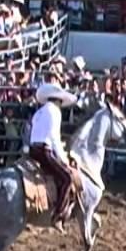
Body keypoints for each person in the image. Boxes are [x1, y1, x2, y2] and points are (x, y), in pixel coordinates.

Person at [28, 83, 78, 232]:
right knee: (67, 178)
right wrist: (64, 160)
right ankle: (57, 216)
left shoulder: (40, 112)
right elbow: (54, 138)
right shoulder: (55, 111)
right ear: (59, 100)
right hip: (44, 151)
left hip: (33, 149)